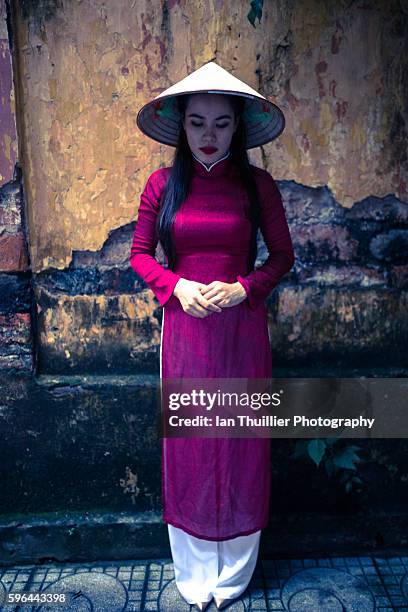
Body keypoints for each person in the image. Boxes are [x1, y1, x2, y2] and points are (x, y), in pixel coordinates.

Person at [130, 62, 295, 610]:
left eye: (221, 124)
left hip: (242, 332)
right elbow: (137, 255)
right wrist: (175, 287)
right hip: (184, 333)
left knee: (241, 444)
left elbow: (283, 257)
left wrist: (245, 288)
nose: (208, 135)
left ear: (238, 127)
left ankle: (235, 576)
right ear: (180, 124)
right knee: (193, 447)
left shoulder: (258, 186)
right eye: (197, 122)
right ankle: (194, 576)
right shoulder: (162, 184)